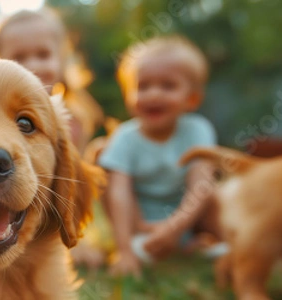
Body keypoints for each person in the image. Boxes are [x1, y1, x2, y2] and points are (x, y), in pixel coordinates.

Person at [99, 35, 219, 277]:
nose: (153, 94)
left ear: (192, 98)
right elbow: (119, 194)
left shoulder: (198, 129)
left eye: (168, 86)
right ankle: (132, 250)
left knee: (214, 192)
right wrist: (125, 250)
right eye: (143, 86)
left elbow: (200, 185)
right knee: (107, 178)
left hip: (186, 220)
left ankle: (210, 241)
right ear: (128, 95)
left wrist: (175, 227)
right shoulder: (125, 137)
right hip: (139, 226)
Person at [0, 9, 106, 155]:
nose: (33, 67)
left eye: (43, 55)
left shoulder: (74, 121)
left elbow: (76, 172)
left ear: (61, 59)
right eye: (18, 58)